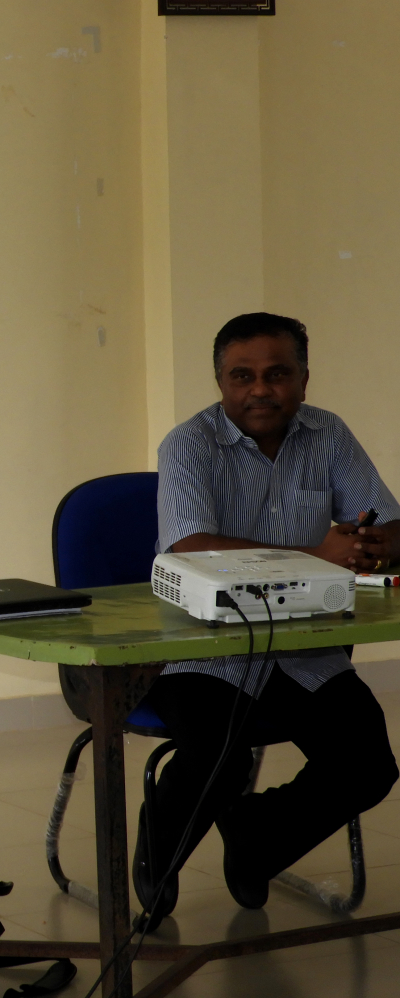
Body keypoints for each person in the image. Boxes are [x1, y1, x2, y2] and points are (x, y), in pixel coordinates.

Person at [138, 311, 400, 927]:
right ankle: (157, 851)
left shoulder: (327, 433)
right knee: (220, 760)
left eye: (277, 374)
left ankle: (256, 837)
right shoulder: (190, 443)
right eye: (242, 376)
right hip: (202, 649)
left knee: (368, 765)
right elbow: (190, 548)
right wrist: (317, 554)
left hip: (303, 647)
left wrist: (375, 544)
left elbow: (387, 521)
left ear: (304, 378)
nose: (260, 389)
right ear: (221, 382)